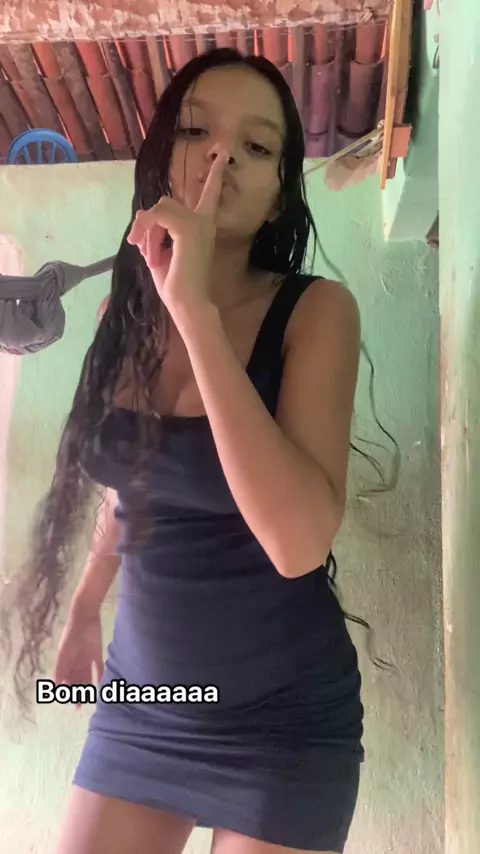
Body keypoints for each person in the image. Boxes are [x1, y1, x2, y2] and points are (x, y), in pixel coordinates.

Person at [9, 48, 365, 854]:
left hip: (283, 726)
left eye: (256, 146)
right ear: (160, 158)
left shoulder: (317, 313)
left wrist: (196, 312)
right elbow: (130, 495)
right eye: (198, 131)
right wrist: (85, 609)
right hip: (144, 706)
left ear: (280, 194)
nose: (221, 156)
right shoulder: (121, 319)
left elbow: (298, 543)